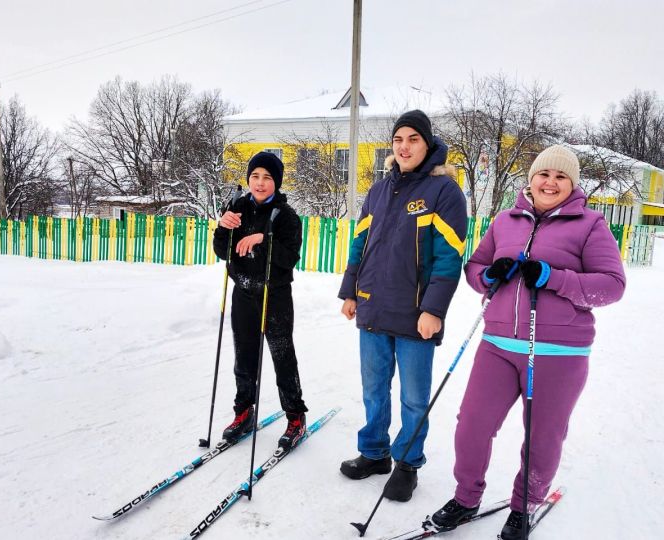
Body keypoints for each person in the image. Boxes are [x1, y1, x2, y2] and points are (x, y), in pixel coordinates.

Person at [430, 145, 626, 538]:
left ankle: (524, 505)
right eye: (544, 174)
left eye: (560, 177)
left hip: (559, 353)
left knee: (542, 435)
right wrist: (490, 275)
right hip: (499, 344)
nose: (550, 182)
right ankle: (467, 497)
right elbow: (474, 269)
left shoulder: (590, 225)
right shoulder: (506, 220)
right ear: (531, 179)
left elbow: (612, 286)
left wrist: (554, 277)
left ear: (572, 185)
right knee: (471, 424)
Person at [338, 110, 468, 502]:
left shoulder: (444, 192)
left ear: (427, 144)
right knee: (374, 390)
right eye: (398, 139)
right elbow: (360, 244)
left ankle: (407, 463)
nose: (404, 146)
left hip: (416, 317)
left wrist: (435, 310)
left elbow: (449, 257)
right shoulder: (379, 191)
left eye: (413, 139)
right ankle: (374, 452)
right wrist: (349, 291)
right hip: (373, 308)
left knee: (413, 396)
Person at [212, 151, 308, 450]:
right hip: (242, 291)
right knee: (244, 358)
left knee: (282, 357)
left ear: (276, 183)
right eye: (255, 176)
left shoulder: (286, 216)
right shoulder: (237, 207)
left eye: (267, 177)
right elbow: (221, 250)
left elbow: (290, 258)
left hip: (274, 295)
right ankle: (243, 413)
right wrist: (222, 227)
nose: (260, 182)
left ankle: (295, 416)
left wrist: (263, 240)